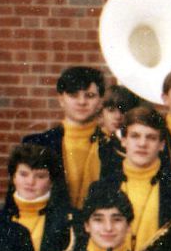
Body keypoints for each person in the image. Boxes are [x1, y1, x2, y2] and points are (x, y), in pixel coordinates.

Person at [106, 107, 171, 251]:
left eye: (151, 138)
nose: (142, 143)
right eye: (135, 136)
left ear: (162, 145)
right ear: (123, 141)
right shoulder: (103, 186)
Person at [25, 64, 112, 212]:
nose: (82, 102)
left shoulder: (113, 146)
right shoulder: (36, 144)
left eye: (90, 95)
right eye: (73, 95)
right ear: (61, 99)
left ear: (100, 102)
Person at [1, 143, 74, 251]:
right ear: (13, 178)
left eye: (40, 176)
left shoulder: (68, 222)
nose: (30, 182)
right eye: (24, 174)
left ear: (51, 182)